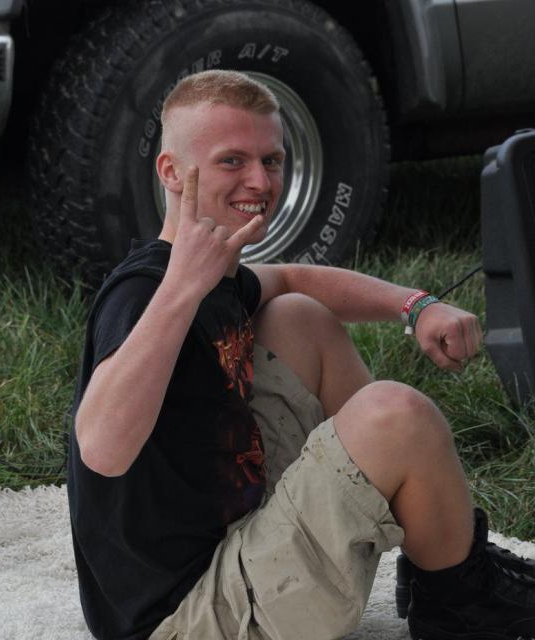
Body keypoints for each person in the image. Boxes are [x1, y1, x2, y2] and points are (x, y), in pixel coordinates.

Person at [67, 70, 535, 640]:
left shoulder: (215, 275)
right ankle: (459, 601)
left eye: (272, 160)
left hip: (228, 538)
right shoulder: (144, 292)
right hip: (188, 616)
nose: (259, 180)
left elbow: (292, 277)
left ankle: (440, 561)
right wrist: (182, 288)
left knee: (297, 316)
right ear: (170, 171)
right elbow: (102, 449)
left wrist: (417, 305)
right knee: (397, 416)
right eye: (232, 161)